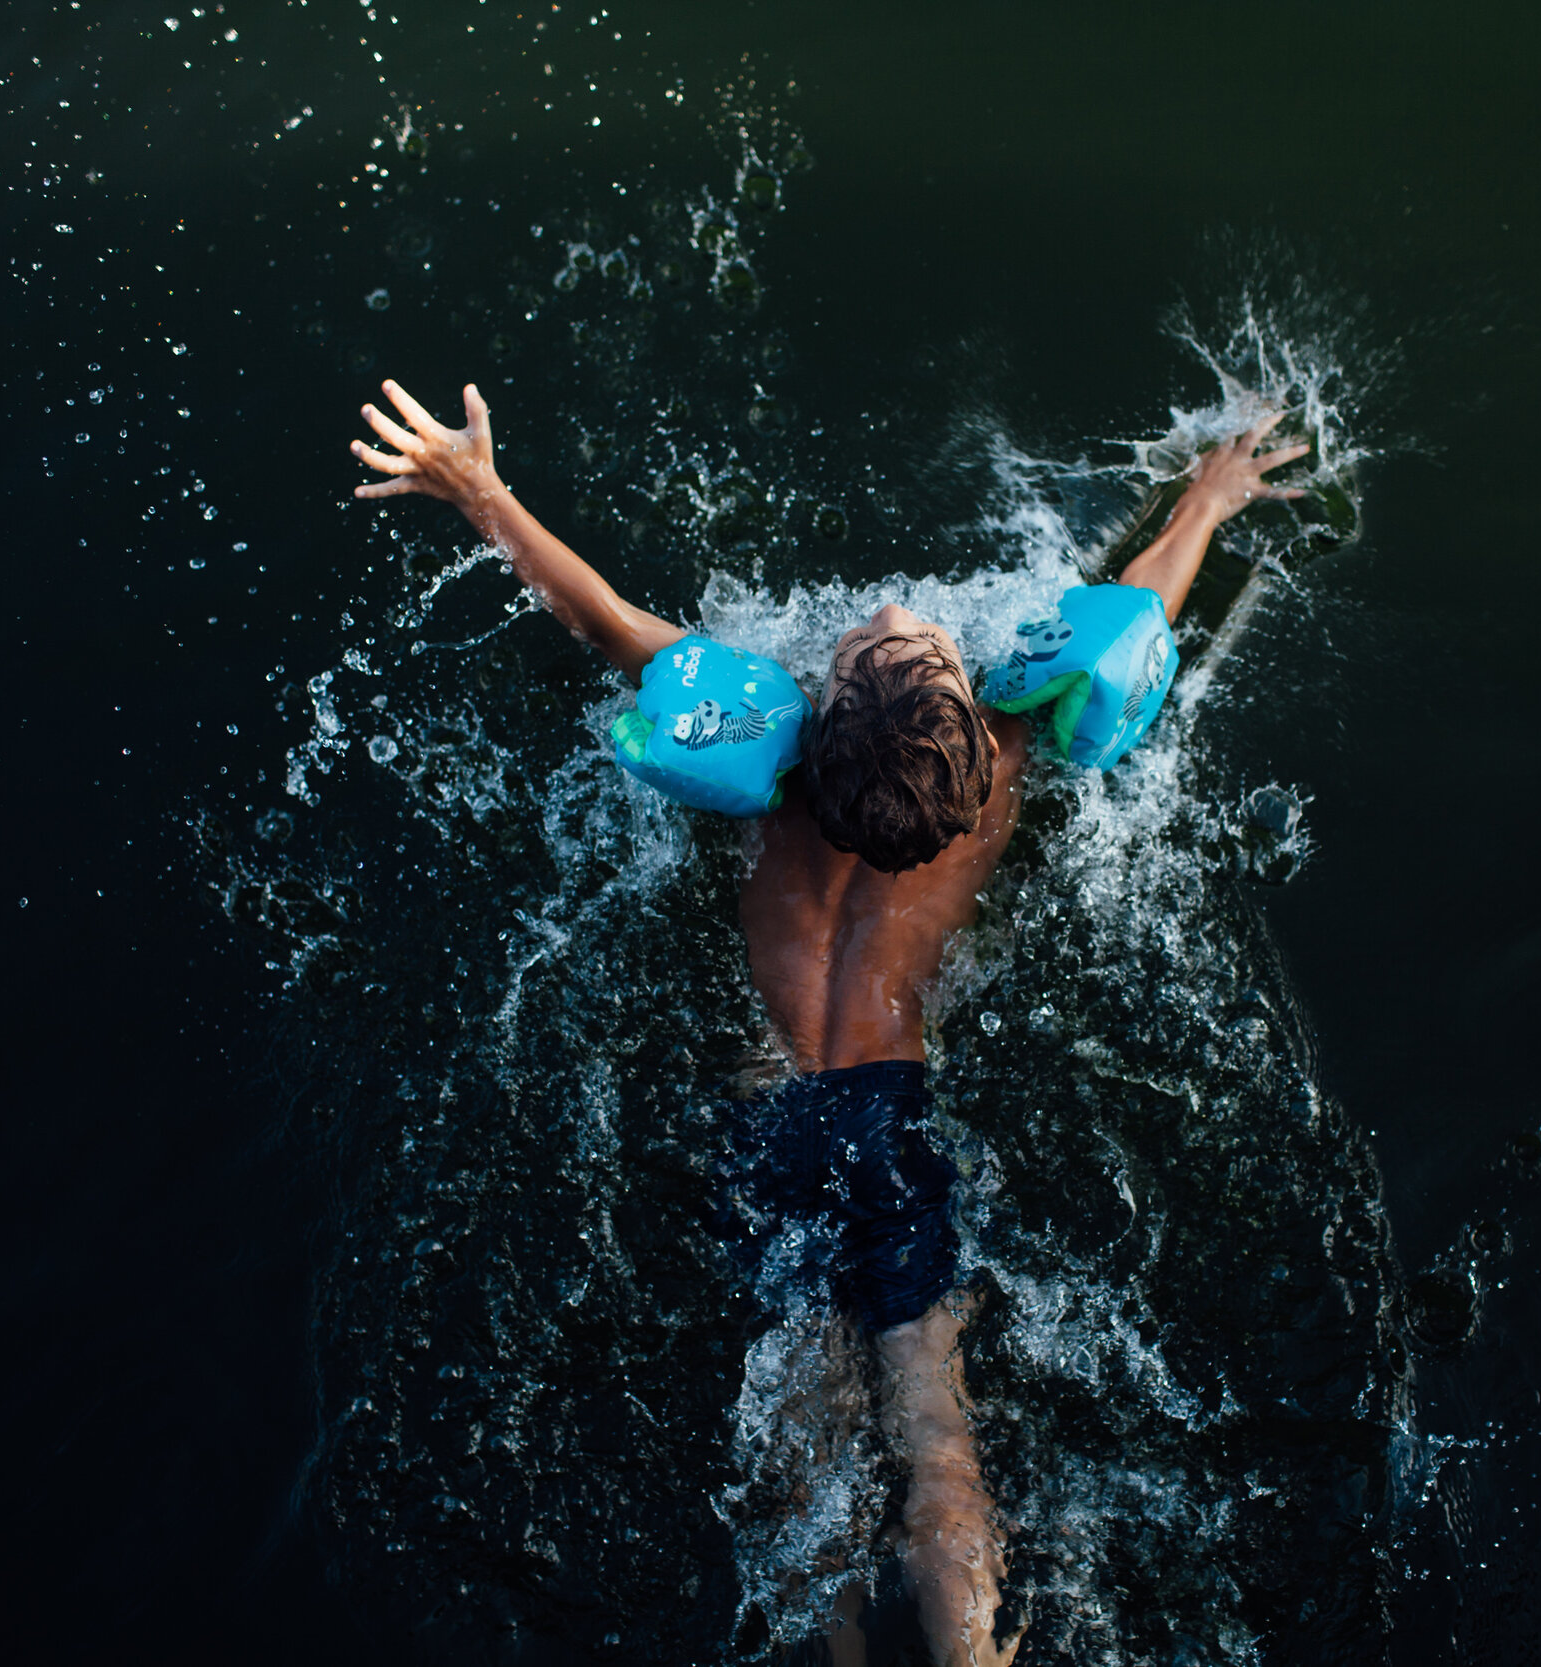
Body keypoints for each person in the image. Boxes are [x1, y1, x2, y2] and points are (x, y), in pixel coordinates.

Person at [349, 378, 1307, 1667]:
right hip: (892, 1118)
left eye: (879, 644)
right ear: (968, 719)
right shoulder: (1004, 771)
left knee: (800, 1418)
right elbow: (1142, 606)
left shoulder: (777, 778)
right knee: (931, 1420)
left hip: (771, 1115)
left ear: (822, 714)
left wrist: (480, 492)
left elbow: (602, 620)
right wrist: (1208, 495)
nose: (889, 621)